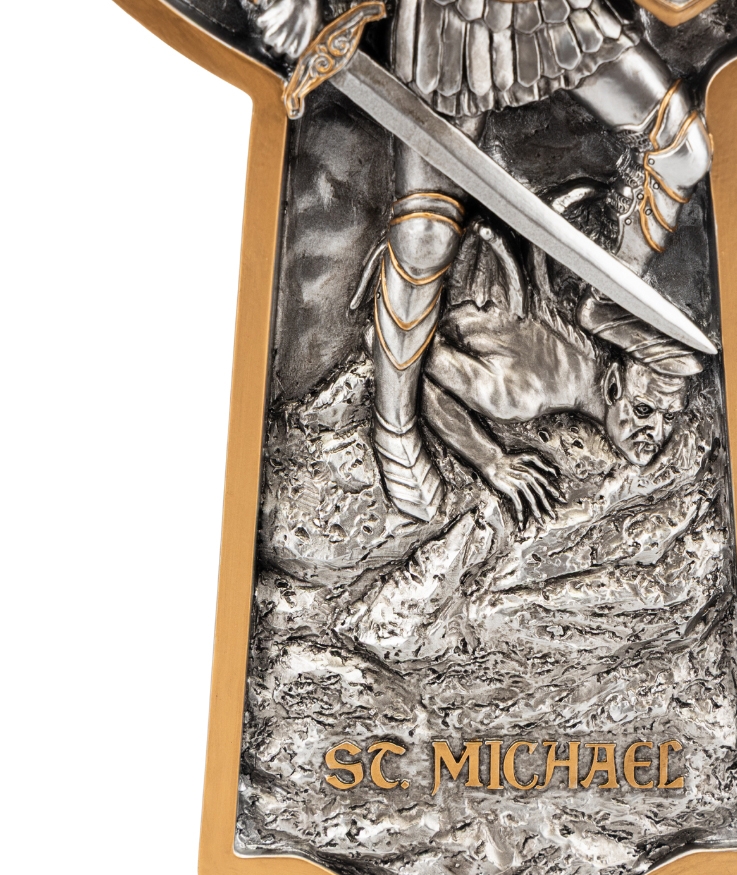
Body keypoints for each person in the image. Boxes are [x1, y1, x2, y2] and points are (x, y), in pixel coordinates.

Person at [254, 0, 713, 521]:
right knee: (424, 236)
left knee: (683, 152)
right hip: (445, 20)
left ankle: (605, 286)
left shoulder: (539, 387)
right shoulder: (521, 394)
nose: (652, 431)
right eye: (649, 411)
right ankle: (395, 423)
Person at [414, 301, 701, 524]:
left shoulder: (582, 346)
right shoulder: (519, 397)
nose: (658, 433)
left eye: (669, 416)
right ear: (612, 385)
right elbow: (420, 360)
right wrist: (489, 459)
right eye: (643, 410)